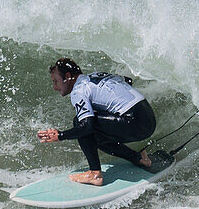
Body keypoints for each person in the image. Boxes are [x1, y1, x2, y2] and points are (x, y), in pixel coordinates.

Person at [37, 57, 156, 186]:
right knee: (96, 132)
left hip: (135, 123)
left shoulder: (78, 90)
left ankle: (95, 173)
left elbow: (86, 126)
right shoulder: (96, 75)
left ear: (68, 76)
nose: (55, 87)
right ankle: (139, 159)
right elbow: (127, 81)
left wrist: (60, 136)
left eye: (56, 81)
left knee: (80, 123)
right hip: (147, 116)